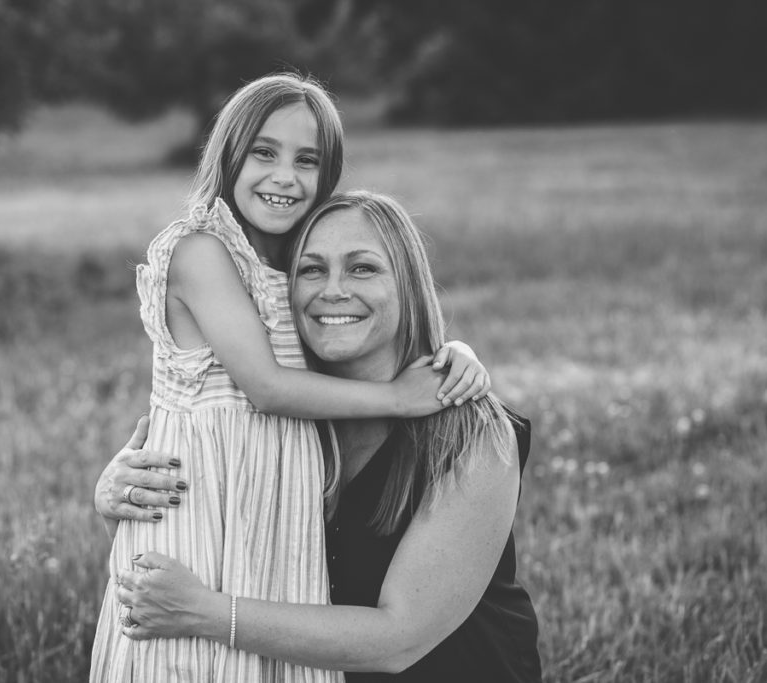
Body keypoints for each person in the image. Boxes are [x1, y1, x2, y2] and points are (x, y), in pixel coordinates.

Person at [90, 75, 492, 683]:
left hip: (273, 517)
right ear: (229, 154)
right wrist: (397, 398)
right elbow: (266, 388)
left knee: (267, 659)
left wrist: (453, 350)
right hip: (207, 506)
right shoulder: (202, 251)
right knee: (194, 662)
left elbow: (369, 321)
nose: (285, 176)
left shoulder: (290, 265)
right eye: (264, 152)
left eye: (307, 160)